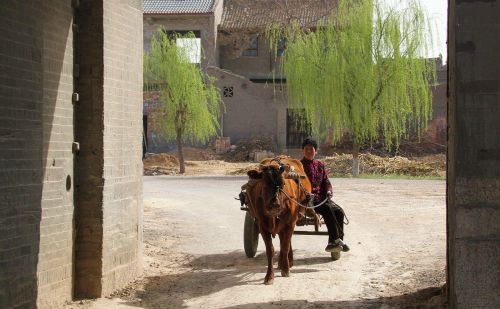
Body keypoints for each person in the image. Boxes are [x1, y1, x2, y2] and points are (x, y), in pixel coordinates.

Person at [300, 137, 350, 253]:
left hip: (322, 199)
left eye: (311, 149)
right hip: (307, 200)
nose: (308, 151)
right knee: (327, 209)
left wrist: (329, 191)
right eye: (306, 149)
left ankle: (336, 243)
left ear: (315, 151)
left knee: (339, 211)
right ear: (303, 150)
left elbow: (326, 181)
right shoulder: (299, 166)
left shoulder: (320, 165)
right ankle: (335, 241)